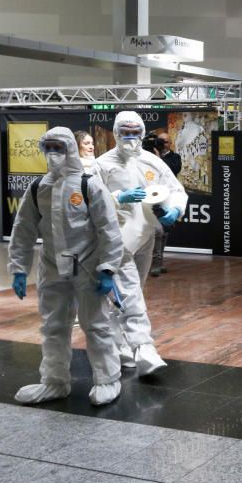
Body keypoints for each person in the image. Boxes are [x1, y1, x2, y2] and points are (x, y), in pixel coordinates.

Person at [8, 127, 124, 406]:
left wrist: (108, 268)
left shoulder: (89, 184)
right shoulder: (39, 188)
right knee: (53, 326)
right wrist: (19, 269)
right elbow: (22, 230)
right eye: (48, 147)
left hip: (88, 268)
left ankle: (108, 379)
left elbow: (109, 229)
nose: (53, 154)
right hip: (51, 268)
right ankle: (54, 381)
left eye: (58, 148)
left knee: (95, 325)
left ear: (70, 149)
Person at [96, 111, 188, 375]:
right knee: (130, 294)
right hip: (117, 241)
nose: (130, 137)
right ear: (115, 132)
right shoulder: (102, 165)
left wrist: (174, 210)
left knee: (128, 293)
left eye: (135, 132)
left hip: (146, 235)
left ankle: (121, 345)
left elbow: (175, 190)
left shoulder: (153, 162)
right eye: (125, 131)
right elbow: (91, 200)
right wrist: (117, 198)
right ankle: (144, 348)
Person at [146, 132, 182, 277]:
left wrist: (158, 158)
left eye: (165, 142)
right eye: (160, 141)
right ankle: (154, 264)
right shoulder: (148, 156)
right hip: (150, 196)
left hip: (166, 197)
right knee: (156, 231)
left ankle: (158, 263)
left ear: (170, 143)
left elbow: (173, 171)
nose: (162, 144)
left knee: (164, 231)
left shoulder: (175, 157)